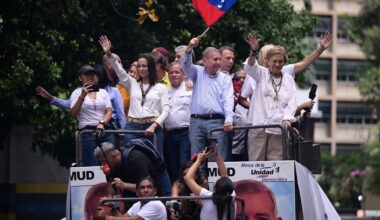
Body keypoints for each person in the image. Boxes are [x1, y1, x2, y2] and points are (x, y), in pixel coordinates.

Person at [99, 35, 170, 157]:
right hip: (132, 127)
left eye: (144, 66)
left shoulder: (161, 87)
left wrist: (154, 126)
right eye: (139, 66)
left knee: (157, 161)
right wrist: (109, 55)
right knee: (129, 159)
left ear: (151, 68)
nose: (141, 69)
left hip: (152, 127)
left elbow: (167, 110)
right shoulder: (132, 83)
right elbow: (120, 71)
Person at [244, 33, 298, 161]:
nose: (277, 64)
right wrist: (253, 51)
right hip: (258, 126)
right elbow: (250, 67)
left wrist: (287, 119)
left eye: (281, 61)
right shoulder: (261, 74)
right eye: (274, 61)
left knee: (275, 166)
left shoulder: (289, 79)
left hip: (278, 129)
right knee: (256, 164)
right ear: (267, 61)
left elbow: (292, 102)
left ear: (284, 62)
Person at [181, 36, 234, 162]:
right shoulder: (196, 72)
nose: (218, 62)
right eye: (215, 59)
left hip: (217, 122)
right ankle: (199, 181)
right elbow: (185, 65)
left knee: (218, 158)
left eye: (219, 60)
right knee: (196, 158)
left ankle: (217, 182)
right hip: (196, 122)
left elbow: (228, 99)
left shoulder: (225, 78)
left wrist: (228, 119)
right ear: (205, 61)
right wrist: (189, 48)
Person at [69, 64, 114, 166]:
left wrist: (102, 123)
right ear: (80, 78)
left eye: (93, 74)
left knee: (111, 162)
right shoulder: (76, 93)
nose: (90, 76)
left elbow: (109, 111)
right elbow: (73, 113)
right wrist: (82, 96)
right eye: (87, 74)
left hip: (104, 130)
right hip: (87, 131)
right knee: (91, 164)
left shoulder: (103, 92)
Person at [94, 141, 171, 198]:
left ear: (113, 156)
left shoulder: (135, 159)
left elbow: (147, 189)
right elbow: (111, 188)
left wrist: (123, 185)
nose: (103, 165)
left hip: (156, 185)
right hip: (133, 190)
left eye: (104, 161)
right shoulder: (112, 165)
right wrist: (109, 199)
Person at [184, 148, 235, 220]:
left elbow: (188, 178)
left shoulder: (208, 197)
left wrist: (199, 160)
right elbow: (225, 175)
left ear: (216, 188)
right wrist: (217, 154)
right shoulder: (231, 196)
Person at [164, 61, 192, 181]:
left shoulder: (190, 88)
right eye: (171, 72)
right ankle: (175, 195)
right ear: (168, 75)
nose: (174, 75)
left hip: (185, 133)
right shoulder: (164, 92)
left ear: (183, 74)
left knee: (183, 164)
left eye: (177, 72)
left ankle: (185, 193)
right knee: (172, 166)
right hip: (169, 134)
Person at [97, 177, 167, 220]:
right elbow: (122, 219)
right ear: (137, 192)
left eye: (149, 187)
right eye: (142, 188)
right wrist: (113, 206)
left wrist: (107, 218)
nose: (146, 190)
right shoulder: (137, 205)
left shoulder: (156, 203)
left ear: (155, 191)